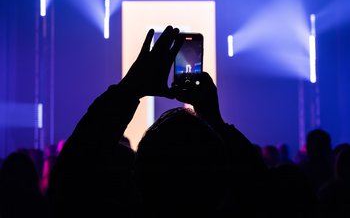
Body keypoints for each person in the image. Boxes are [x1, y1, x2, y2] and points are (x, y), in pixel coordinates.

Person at [48, 26, 268, 217]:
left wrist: (131, 87)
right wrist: (215, 120)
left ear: (139, 173)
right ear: (218, 178)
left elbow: (68, 181)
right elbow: (261, 186)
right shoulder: (244, 208)